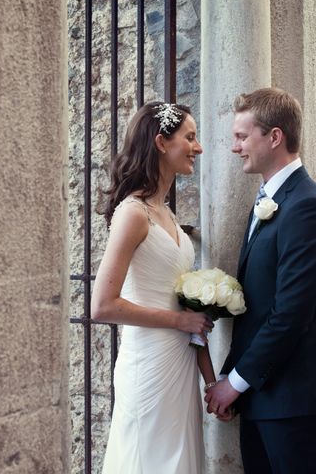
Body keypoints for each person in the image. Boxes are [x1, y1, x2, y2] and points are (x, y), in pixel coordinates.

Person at [205, 88, 316, 473]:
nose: (235, 147)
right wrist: (235, 378)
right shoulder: (269, 199)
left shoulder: (307, 206)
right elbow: (257, 309)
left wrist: (235, 382)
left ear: (275, 137)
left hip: (293, 400)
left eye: (242, 136)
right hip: (263, 397)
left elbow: (290, 314)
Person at [92, 101, 216, 474]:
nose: (198, 147)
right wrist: (180, 323)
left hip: (180, 366)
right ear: (162, 143)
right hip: (148, 364)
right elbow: (103, 305)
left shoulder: (167, 213)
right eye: (190, 138)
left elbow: (187, 314)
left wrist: (211, 382)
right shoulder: (133, 214)